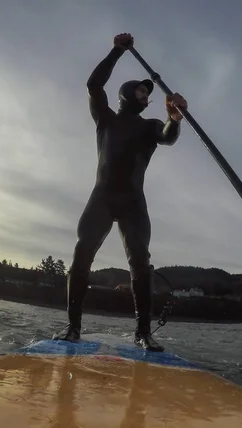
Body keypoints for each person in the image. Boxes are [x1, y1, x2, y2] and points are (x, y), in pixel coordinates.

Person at [52, 32, 188, 352]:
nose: (145, 94)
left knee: (140, 262)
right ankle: (73, 328)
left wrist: (174, 118)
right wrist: (116, 52)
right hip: (102, 197)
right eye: (140, 90)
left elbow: (167, 137)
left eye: (147, 92)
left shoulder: (150, 126)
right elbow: (93, 86)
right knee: (82, 252)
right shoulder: (106, 120)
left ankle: (143, 333)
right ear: (126, 93)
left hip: (133, 203)